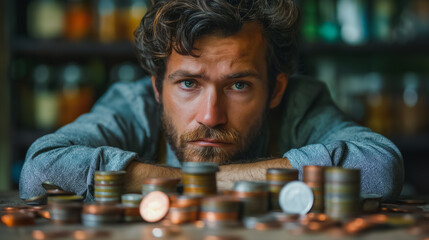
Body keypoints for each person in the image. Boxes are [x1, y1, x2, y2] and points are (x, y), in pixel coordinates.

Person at [20, 0, 403, 202]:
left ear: (276, 90)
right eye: (188, 83)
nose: (211, 116)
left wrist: (195, 182)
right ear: (156, 88)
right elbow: (40, 171)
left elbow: (380, 168)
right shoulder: (133, 103)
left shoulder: (302, 103)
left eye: (239, 85)